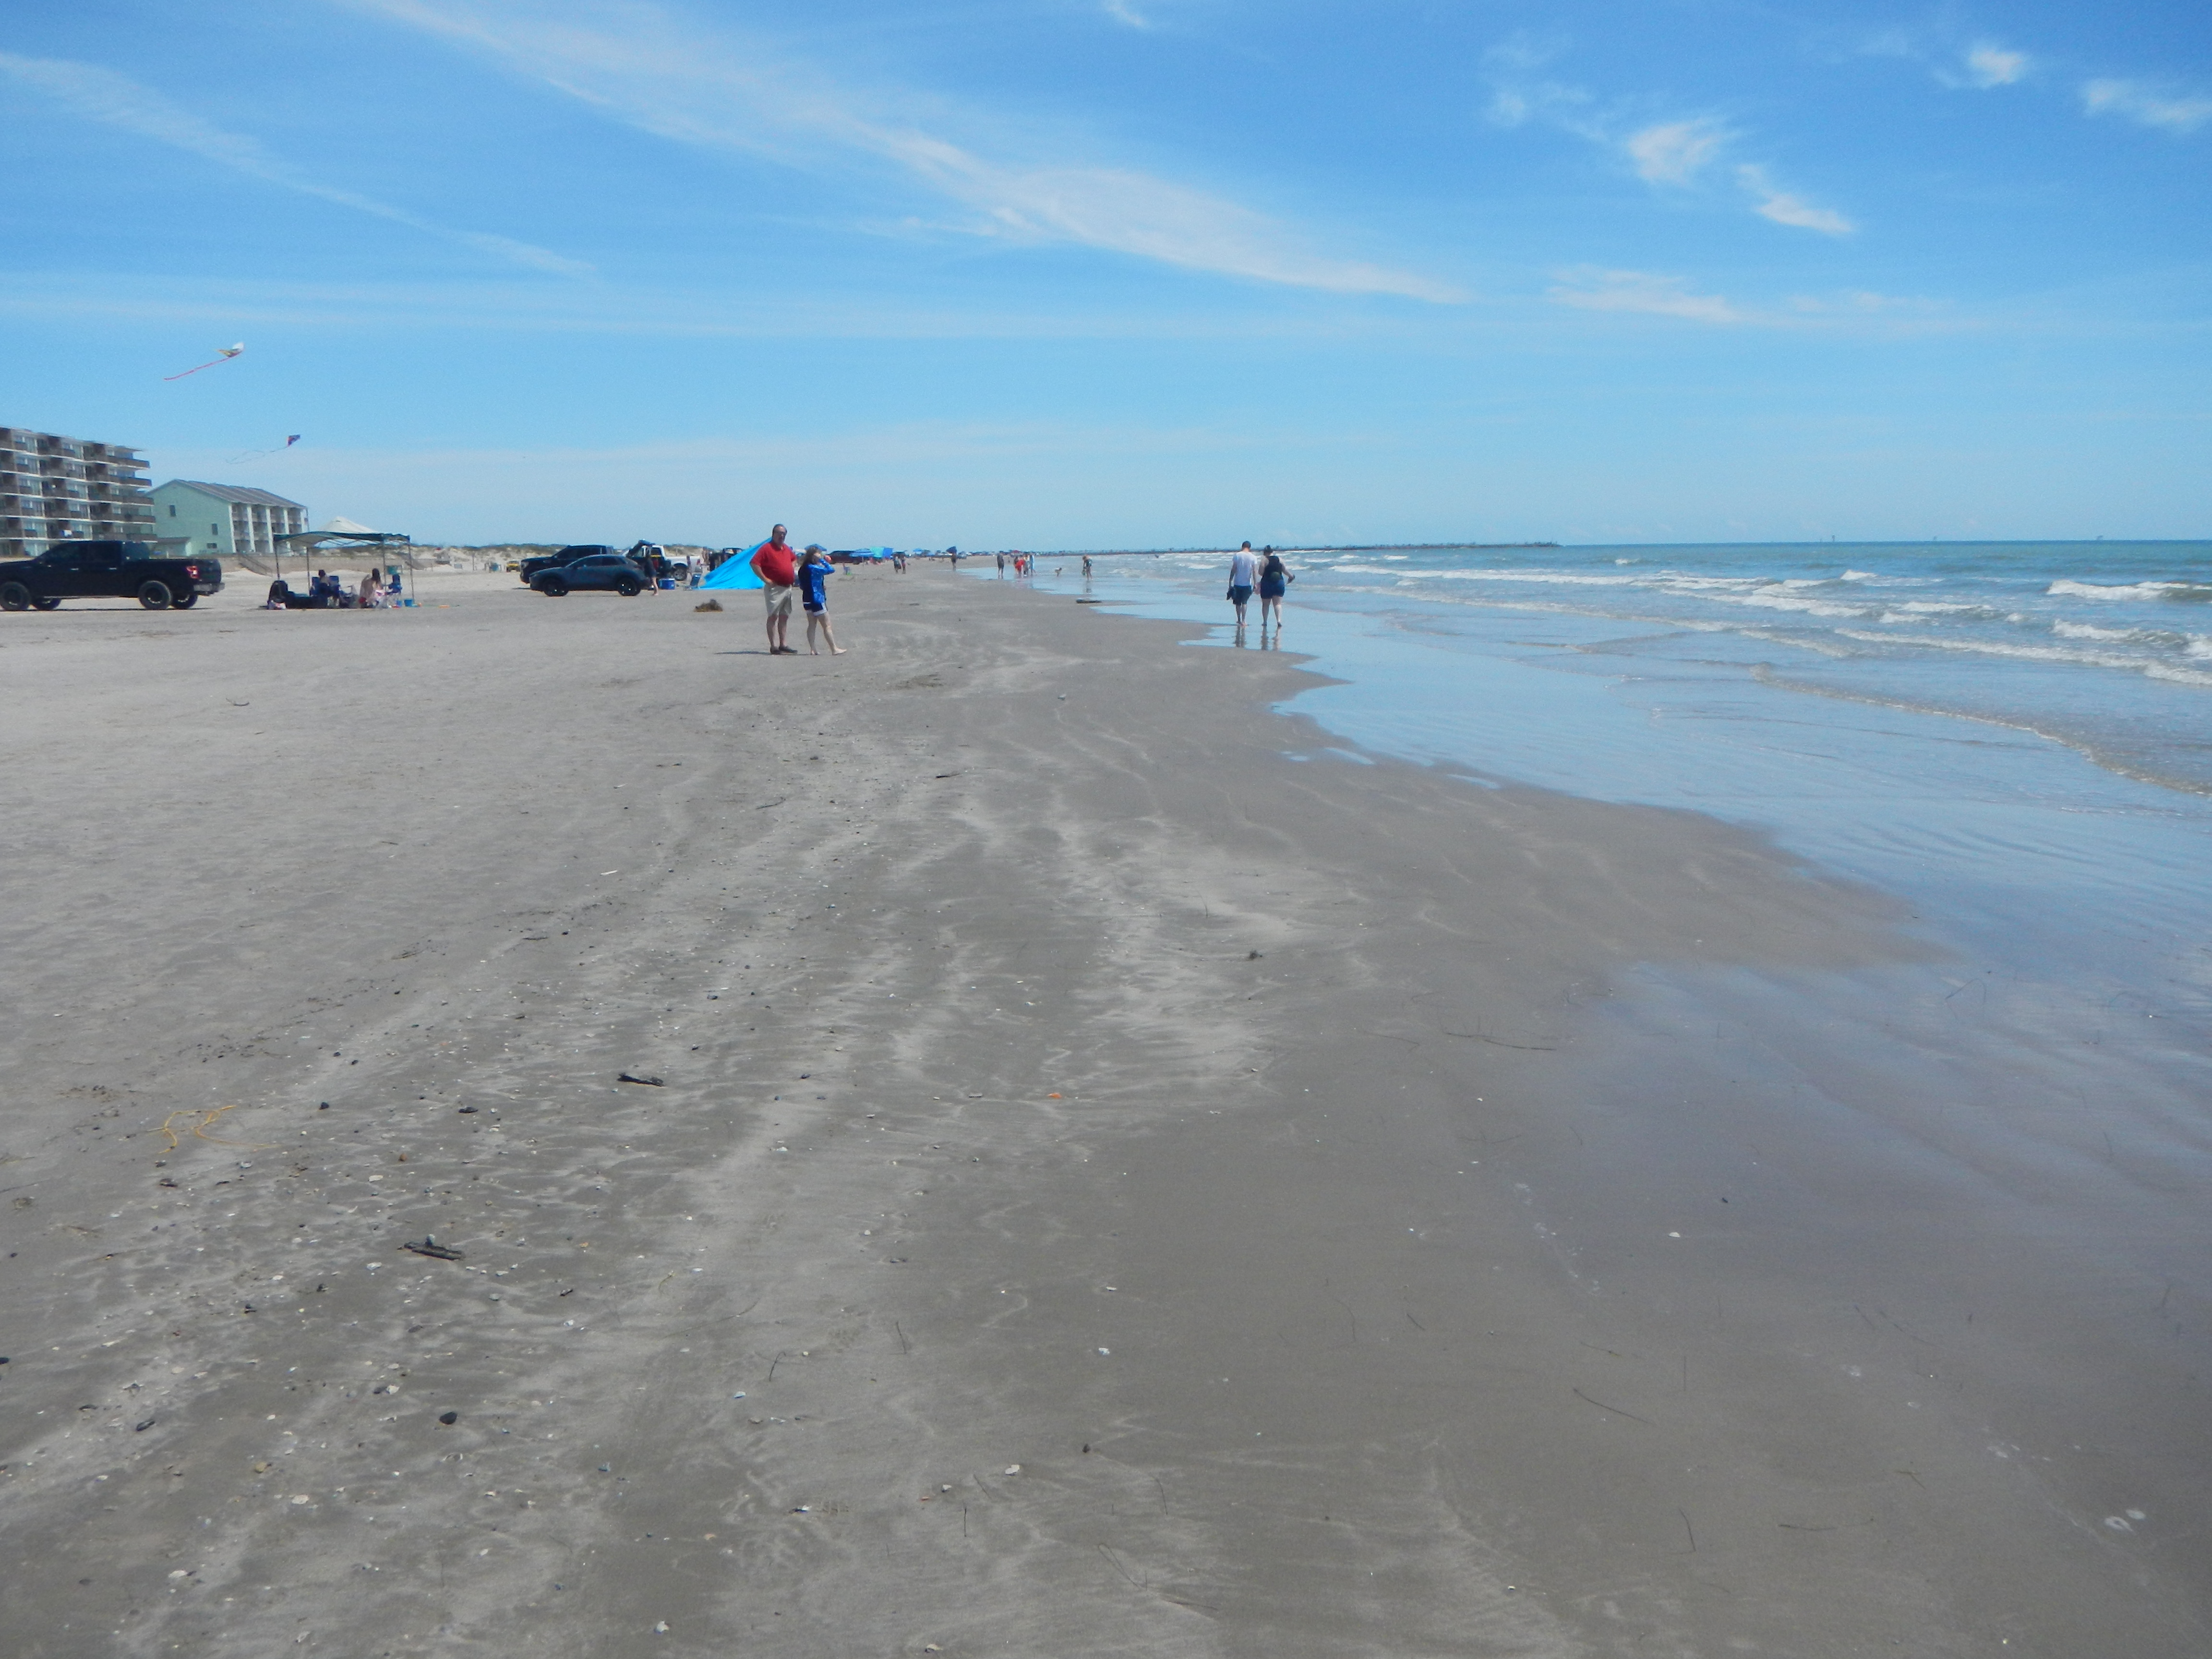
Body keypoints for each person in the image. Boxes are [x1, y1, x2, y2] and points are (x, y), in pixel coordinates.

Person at [751, 525, 800, 654]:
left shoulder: (786, 548)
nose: (782, 536)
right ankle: (773, 646)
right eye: (780, 533)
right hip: (775, 588)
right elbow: (754, 563)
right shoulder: (767, 548)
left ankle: (783, 644)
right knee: (773, 616)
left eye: (784, 534)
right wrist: (766, 580)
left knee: (785, 616)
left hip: (787, 587)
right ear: (773, 534)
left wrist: (790, 567)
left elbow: (794, 558)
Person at [796, 545, 845, 655]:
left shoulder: (803, 568)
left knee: (812, 624)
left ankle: (813, 649)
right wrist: (822, 560)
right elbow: (830, 570)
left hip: (807, 598)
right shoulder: (812, 567)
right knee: (827, 625)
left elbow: (802, 584)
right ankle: (834, 649)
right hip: (817, 599)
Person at [1258, 545, 1291, 631]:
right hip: (1279, 583)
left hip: (1267, 583)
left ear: (1265, 552)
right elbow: (1285, 570)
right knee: (1278, 604)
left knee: (1266, 604)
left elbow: (1261, 573)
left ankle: (1265, 621)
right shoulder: (1280, 559)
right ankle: (1279, 621)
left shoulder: (1264, 560)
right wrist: (1291, 576)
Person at [1226, 541, 1259, 626]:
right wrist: (1256, 583)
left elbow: (1234, 569)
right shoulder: (1253, 557)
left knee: (1237, 603)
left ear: (1242, 547)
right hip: (1247, 583)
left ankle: (1239, 619)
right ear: (1250, 548)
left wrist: (1230, 580)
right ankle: (1244, 621)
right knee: (1245, 602)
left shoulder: (1237, 555)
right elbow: (1254, 571)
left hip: (1237, 583)